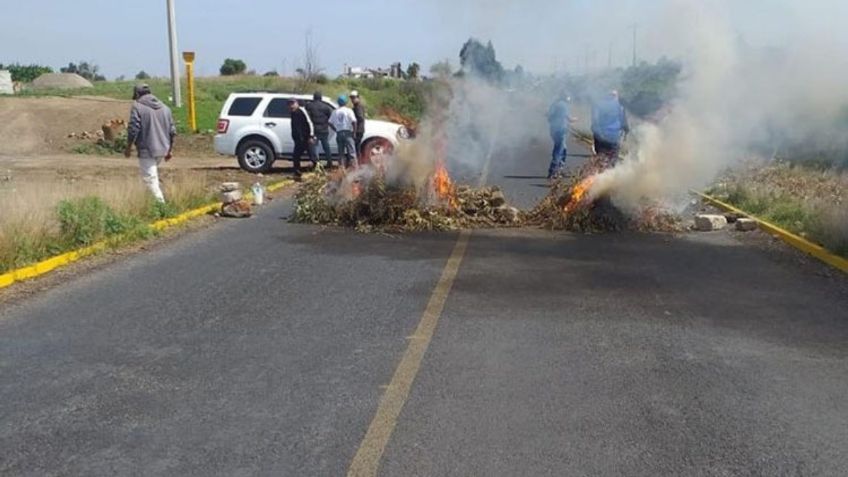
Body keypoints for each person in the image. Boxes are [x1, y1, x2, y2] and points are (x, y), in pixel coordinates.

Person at [124, 84, 176, 202]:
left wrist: (128, 147)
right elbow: (172, 131)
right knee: (152, 177)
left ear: (137, 94)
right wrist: (170, 150)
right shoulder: (165, 108)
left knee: (149, 179)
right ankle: (149, 202)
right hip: (163, 148)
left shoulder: (137, 106)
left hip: (146, 149)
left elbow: (133, 128)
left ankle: (161, 207)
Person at [591, 90, 630, 158]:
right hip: (614, 136)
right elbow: (623, 120)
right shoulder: (619, 106)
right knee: (613, 157)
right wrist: (626, 130)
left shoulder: (598, 104)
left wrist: (596, 130)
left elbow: (595, 120)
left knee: (600, 156)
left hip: (600, 135)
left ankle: (600, 166)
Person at [547, 93, 577, 179]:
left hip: (553, 130)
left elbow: (549, 117)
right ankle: (553, 171)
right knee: (559, 151)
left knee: (563, 149)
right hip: (561, 130)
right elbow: (569, 118)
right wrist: (574, 119)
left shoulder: (554, 104)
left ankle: (559, 169)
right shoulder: (564, 105)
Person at [305, 91, 334, 168]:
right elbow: (331, 117)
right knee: (326, 146)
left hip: (314, 129)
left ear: (314, 97)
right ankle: (329, 161)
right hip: (324, 129)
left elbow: (307, 115)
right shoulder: (326, 107)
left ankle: (317, 163)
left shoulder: (309, 106)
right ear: (321, 98)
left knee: (315, 147)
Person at [288, 99, 315, 179]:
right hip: (299, 140)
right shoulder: (293, 113)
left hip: (306, 138)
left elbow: (309, 123)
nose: (291, 105)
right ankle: (297, 173)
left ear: (297, 103)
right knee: (296, 156)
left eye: (293, 103)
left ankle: (319, 171)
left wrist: (311, 136)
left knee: (312, 156)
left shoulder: (302, 111)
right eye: (289, 104)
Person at [329, 95, 358, 168]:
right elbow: (354, 121)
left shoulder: (335, 111)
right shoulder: (349, 110)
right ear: (346, 102)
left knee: (341, 153)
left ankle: (341, 169)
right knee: (351, 152)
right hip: (348, 133)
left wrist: (335, 129)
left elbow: (329, 122)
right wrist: (354, 132)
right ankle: (355, 169)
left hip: (339, 133)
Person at [350, 90, 366, 158]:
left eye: (354, 98)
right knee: (356, 147)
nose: (352, 99)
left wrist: (353, 122)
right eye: (351, 98)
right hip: (358, 129)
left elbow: (360, 118)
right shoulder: (356, 106)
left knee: (356, 147)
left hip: (358, 130)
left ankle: (358, 163)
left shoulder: (358, 107)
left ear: (358, 97)